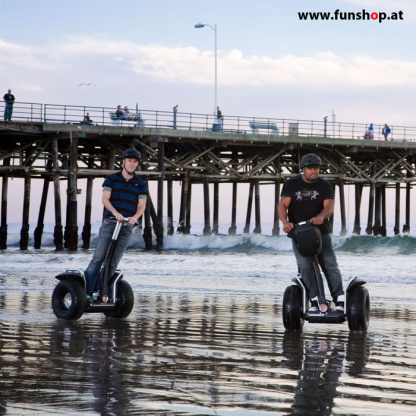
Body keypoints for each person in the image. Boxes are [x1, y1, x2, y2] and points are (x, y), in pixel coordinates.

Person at [278, 153, 345, 312]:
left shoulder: (324, 185)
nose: (313, 171)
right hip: (298, 233)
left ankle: (340, 299)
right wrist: (285, 222)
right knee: (304, 265)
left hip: (321, 232)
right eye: (310, 169)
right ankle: (315, 299)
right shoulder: (291, 184)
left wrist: (320, 217)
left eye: (316, 168)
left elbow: (329, 207)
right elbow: (282, 205)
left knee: (330, 264)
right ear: (303, 169)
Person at [84, 148, 147, 299]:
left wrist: (134, 217)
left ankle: (103, 292)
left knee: (113, 262)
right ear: (123, 162)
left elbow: (142, 206)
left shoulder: (141, 183)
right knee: (99, 257)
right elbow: (105, 199)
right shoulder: (112, 179)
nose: (132, 164)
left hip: (127, 226)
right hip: (110, 223)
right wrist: (115, 213)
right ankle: (86, 291)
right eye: (130, 161)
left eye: (135, 162)